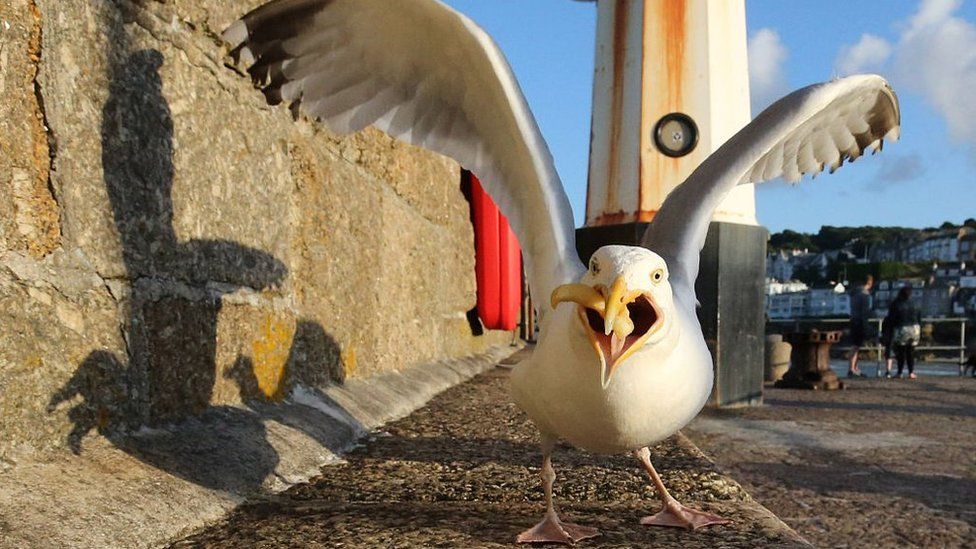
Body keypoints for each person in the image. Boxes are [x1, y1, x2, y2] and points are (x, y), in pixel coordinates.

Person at [888, 286, 922, 379]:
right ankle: (911, 372)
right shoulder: (915, 303)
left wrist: (890, 330)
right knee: (911, 351)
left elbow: (891, 318)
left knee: (901, 352)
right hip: (915, 328)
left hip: (901, 328)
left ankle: (900, 372)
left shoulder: (896, 303)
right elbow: (919, 317)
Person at [848, 275, 874, 378]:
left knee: (855, 345)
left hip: (853, 320)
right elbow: (865, 312)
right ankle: (852, 368)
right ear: (869, 283)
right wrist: (866, 325)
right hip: (860, 322)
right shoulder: (864, 295)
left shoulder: (854, 293)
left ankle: (854, 367)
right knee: (856, 346)